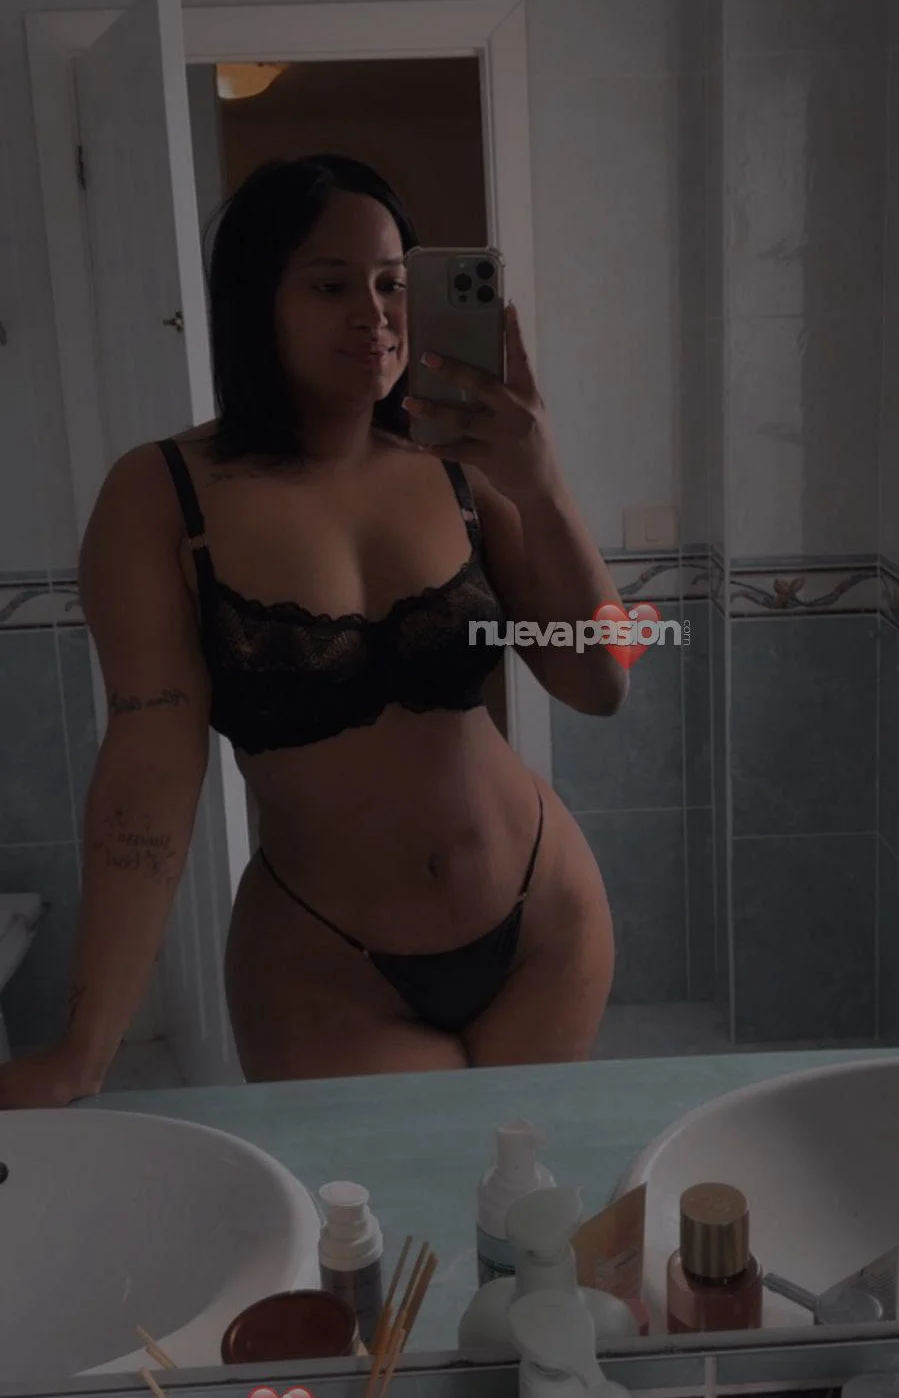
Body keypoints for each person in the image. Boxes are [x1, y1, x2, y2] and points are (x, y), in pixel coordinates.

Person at [0, 155, 628, 1107]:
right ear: (255, 303)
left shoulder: (463, 464)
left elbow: (600, 680)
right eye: (331, 286)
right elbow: (149, 773)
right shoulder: (161, 496)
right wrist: (84, 1049)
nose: (374, 315)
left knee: (528, 1195)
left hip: (546, 920)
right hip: (329, 969)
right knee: (393, 1203)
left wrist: (541, 484)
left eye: (392, 283)